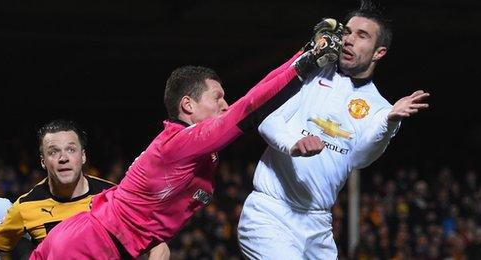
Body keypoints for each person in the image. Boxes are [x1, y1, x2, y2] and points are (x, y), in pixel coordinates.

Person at [29, 19, 345, 259]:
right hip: (86, 245)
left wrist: (305, 51)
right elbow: (249, 106)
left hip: (100, 243)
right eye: (218, 97)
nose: (225, 105)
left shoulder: (192, 147)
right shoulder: (180, 144)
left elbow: (249, 102)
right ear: (188, 105)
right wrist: (307, 61)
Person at [237, 3, 431, 259]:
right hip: (271, 213)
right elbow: (266, 120)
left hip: (318, 225)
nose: (349, 40)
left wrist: (390, 121)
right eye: (348, 32)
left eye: (362, 36)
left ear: (379, 52)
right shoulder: (308, 73)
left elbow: (359, 158)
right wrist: (294, 143)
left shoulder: (381, 108)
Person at [0, 119, 170, 260]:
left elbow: (159, 247)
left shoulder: (114, 197)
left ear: (82, 157)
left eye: (71, 149)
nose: (63, 158)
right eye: (53, 152)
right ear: (43, 161)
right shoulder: (25, 207)